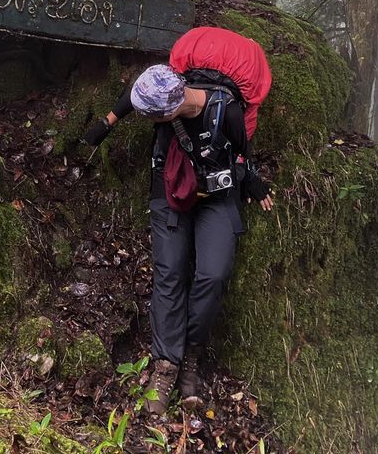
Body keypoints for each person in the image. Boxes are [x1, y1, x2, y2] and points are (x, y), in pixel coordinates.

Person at [83, 26, 273, 415]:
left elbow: (241, 152)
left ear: (171, 110)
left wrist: (254, 184)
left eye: (154, 115)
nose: (147, 116)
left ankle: (192, 354)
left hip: (217, 196)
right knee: (169, 272)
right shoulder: (162, 87)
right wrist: (106, 123)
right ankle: (166, 365)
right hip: (169, 187)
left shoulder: (228, 111)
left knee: (214, 273)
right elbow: (134, 97)